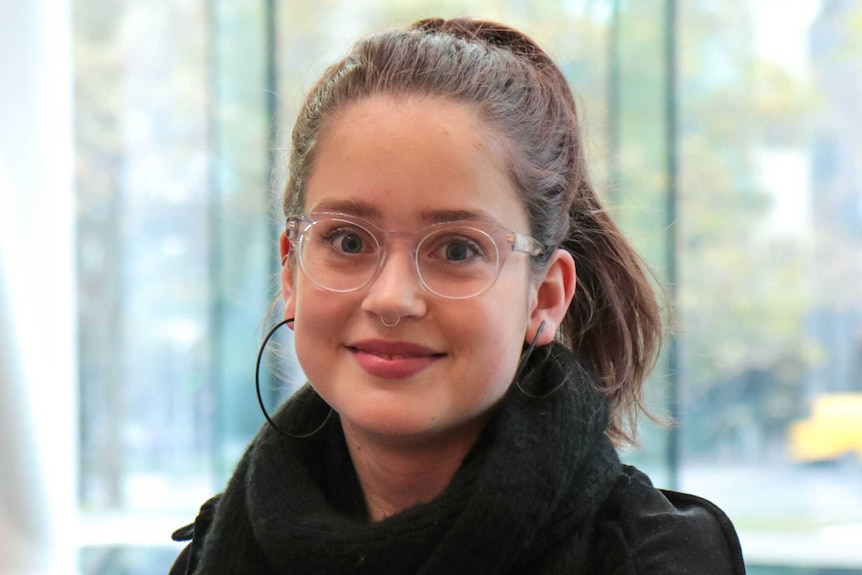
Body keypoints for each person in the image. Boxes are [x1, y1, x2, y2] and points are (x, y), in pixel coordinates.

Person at [170, 17, 745, 574]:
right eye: (347, 240)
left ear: (544, 298)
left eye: (457, 251)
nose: (392, 299)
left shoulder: (652, 560)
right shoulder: (213, 554)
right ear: (291, 274)